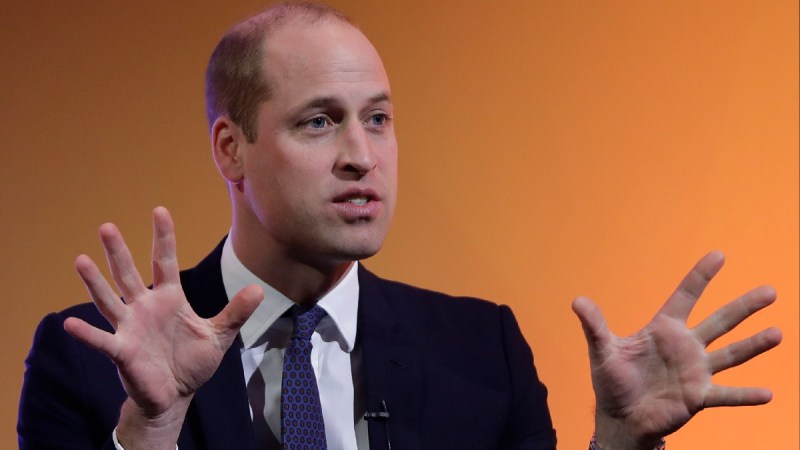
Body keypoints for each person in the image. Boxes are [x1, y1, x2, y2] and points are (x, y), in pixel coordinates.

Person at [18, 3, 782, 450]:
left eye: (378, 120)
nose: (362, 157)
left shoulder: (484, 351)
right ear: (233, 147)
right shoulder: (89, 355)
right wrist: (149, 431)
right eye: (319, 122)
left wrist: (617, 443)